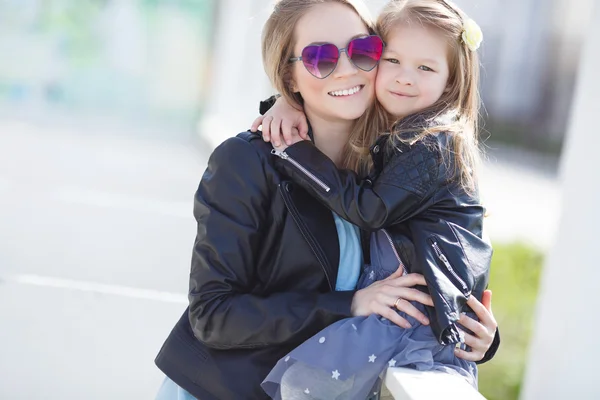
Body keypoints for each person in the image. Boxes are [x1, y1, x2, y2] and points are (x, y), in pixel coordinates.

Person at [154, 1, 446, 399]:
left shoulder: (386, 174)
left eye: (362, 50)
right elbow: (213, 316)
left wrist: (477, 334)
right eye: (319, 57)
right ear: (288, 77)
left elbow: (431, 273)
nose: (346, 68)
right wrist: (348, 304)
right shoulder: (245, 163)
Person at [252, 1, 500, 399]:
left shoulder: (433, 144)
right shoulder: (398, 130)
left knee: (307, 386)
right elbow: (325, 92)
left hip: (418, 314)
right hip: (406, 303)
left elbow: (372, 211)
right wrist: (287, 100)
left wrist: (292, 149)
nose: (404, 78)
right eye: (393, 60)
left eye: (426, 68)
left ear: (451, 81)